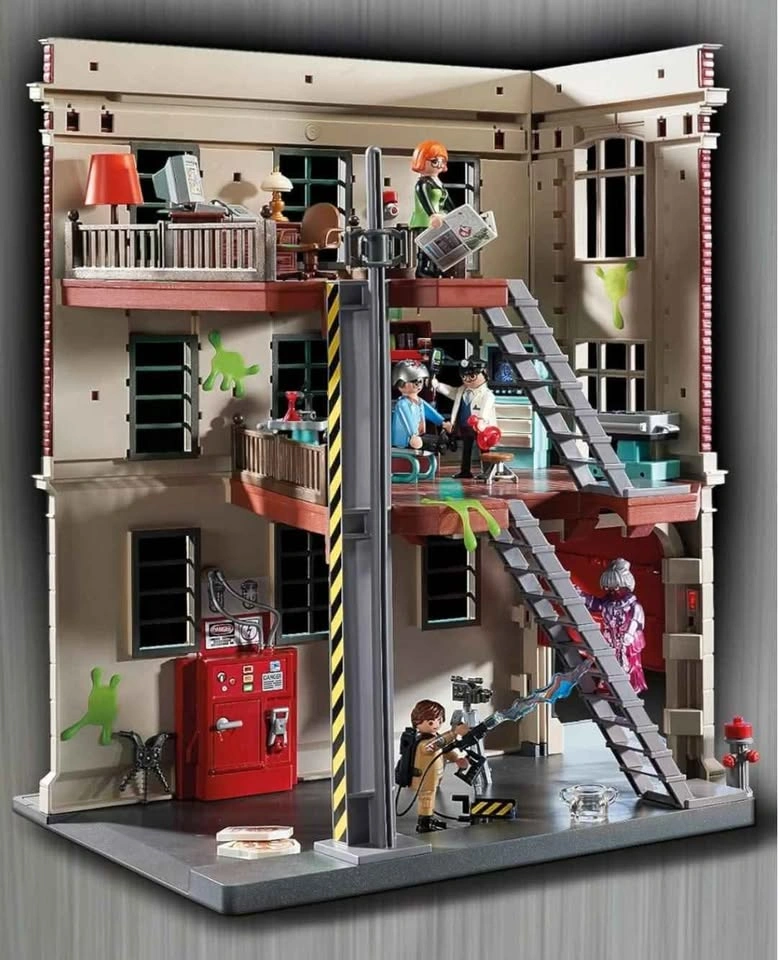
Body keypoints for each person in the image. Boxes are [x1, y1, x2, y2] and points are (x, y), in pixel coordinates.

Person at [578, 558, 648, 694]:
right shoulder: (608, 603)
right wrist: (582, 596)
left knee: (629, 663)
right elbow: (596, 604)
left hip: (627, 640)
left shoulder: (634, 606)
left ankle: (630, 685)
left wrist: (629, 634)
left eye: (615, 588)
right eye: (608, 588)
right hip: (611, 637)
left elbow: (635, 620)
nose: (612, 592)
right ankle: (608, 684)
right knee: (609, 661)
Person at [407, 699, 468, 833]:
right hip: (424, 777)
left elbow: (444, 750)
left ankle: (429, 819)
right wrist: (454, 733)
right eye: (431, 722)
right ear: (417, 722)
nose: (436, 724)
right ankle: (424, 823)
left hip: (433, 777)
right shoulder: (424, 743)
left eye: (439, 721)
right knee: (426, 799)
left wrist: (457, 758)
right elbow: (435, 745)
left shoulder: (434, 739)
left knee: (430, 798)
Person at [432, 358, 497, 479]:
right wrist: (437, 385)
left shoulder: (487, 394)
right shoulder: (462, 390)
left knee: (484, 449)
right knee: (466, 449)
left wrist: (481, 421)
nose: (467, 379)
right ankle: (465, 471)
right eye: (464, 376)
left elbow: (486, 409)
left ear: (484, 374)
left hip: (481, 428)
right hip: (465, 426)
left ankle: (488, 471)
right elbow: (450, 392)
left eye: (472, 376)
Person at [409, 140, 454, 278]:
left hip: (440, 219)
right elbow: (424, 200)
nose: (439, 164)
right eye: (434, 161)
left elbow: (447, 201)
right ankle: (422, 268)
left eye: (442, 161)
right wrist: (433, 215)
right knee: (426, 244)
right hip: (425, 219)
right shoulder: (422, 183)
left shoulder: (438, 183)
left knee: (438, 245)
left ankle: (435, 268)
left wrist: (458, 213)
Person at [391, 360, 445, 450]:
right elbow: (407, 420)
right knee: (434, 444)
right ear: (401, 383)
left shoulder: (419, 401)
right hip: (405, 440)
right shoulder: (403, 404)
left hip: (419, 435)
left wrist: (442, 422)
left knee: (438, 442)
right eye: (415, 382)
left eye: (421, 381)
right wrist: (412, 435)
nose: (419, 385)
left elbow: (430, 412)